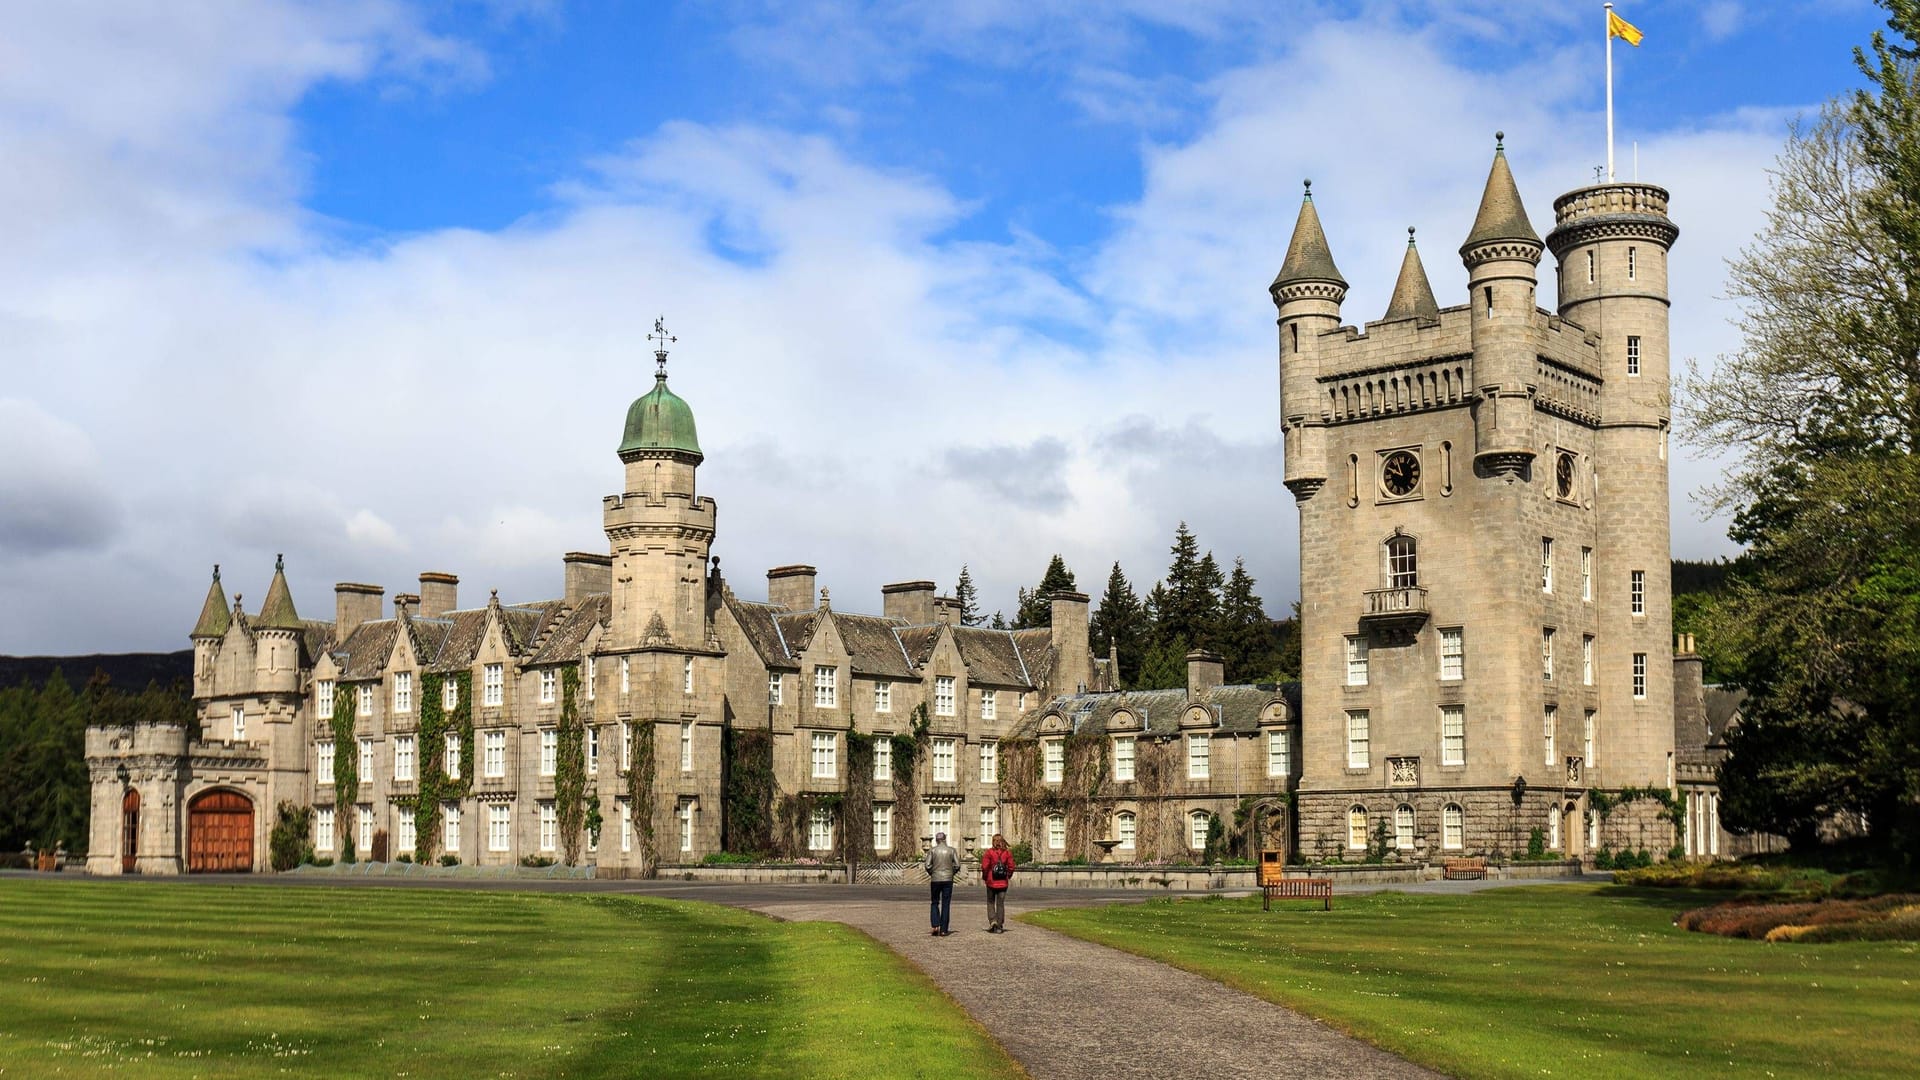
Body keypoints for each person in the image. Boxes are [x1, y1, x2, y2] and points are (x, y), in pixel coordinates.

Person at [924, 831, 959, 936]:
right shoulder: (951, 850)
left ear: (936, 840)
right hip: (948, 879)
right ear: (944, 839)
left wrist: (932, 873)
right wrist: (951, 873)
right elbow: (957, 865)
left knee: (934, 902)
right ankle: (944, 929)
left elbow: (927, 865)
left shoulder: (933, 850)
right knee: (946, 904)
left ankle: (935, 925)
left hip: (935, 879)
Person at [980, 832, 1015, 933]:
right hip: (1003, 882)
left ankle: (993, 921)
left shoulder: (989, 852)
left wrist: (985, 877)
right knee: (1000, 904)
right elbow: (1011, 866)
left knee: (990, 902)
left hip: (991, 881)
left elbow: (985, 867)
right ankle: (999, 925)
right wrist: (1008, 875)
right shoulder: (1007, 853)